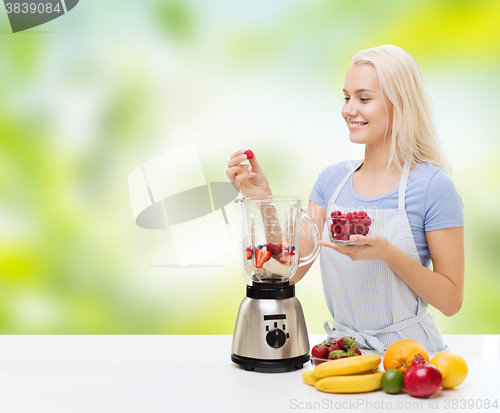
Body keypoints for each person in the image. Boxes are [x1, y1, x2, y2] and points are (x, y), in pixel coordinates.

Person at [226, 45, 464, 354]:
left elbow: (451, 301)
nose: (348, 110)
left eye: (363, 98)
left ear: (401, 103)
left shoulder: (434, 186)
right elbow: (290, 269)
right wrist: (263, 200)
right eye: (346, 97)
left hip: (414, 359)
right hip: (344, 353)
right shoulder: (331, 182)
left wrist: (388, 253)